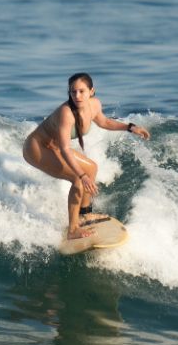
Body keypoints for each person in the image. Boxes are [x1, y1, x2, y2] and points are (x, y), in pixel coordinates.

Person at [22, 72, 150, 240]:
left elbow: (105, 122)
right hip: (36, 148)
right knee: (78, 180)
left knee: (92, 168)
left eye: (81, 91)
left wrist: (130, 127)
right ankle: (73, 229)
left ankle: (84, 214)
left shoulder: (94, 105)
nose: (77, 95)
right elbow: (65, 149)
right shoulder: (66, 113)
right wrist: (81, 176)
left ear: (91, 91)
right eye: (73, 92)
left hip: (54, 147)